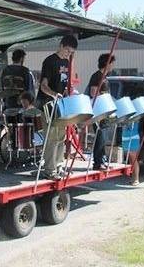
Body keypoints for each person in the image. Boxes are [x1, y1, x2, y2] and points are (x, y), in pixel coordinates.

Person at [36, 34, 78, 180]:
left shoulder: (66, 63)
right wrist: (54, 94)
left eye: (71, 52)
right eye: (67, 50)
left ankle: (58, 167)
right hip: (47, 104)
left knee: (60, 137)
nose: (68, 54)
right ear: (60, 45)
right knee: (51, 138)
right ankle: (49, 170)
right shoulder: (49, 61)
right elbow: (43, 86)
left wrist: (67, 92)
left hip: (60, 105)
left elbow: (64, 83)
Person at [87, 53, 116, 170]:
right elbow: (93, 92)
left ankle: (102, 159)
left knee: (103, 137)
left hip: (104, 110)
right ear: (107, 63)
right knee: (100, 136)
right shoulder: (97, 76)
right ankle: (97, 163)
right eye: (112, 63)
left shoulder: (104, 77)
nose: (113, 65)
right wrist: (104, 97)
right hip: (98, 110)